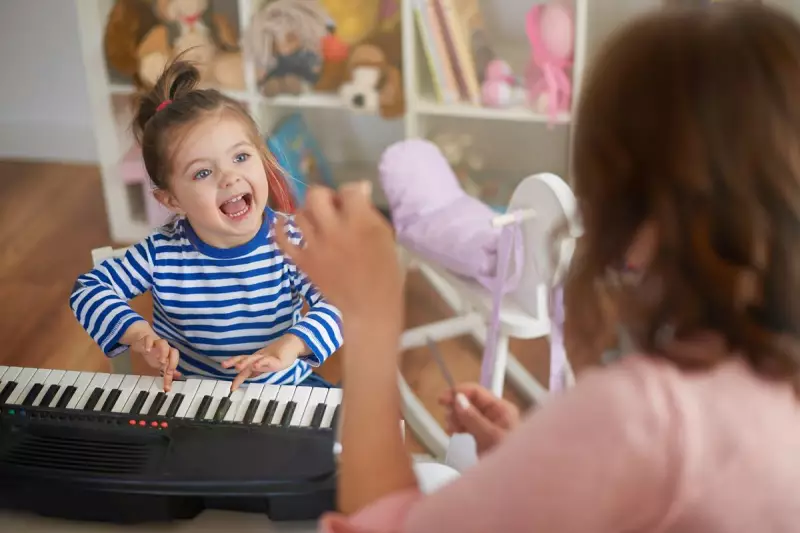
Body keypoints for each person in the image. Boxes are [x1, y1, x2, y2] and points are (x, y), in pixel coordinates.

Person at [271, 3, 800, 532]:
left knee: (433, 475)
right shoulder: (760, 386)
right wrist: (535, 457)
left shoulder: (648, 417)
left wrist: (370, 318)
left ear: (631, 204)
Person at [70, 57, 342, 392]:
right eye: (202, 172)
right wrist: (137, 334)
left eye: (240, 157)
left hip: (287, 389)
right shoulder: (161, 253)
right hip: (193, 398)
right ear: (172, 200)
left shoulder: (292, 239)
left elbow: (341, 301)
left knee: (355, 420)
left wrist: (293, 345)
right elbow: (88, 290)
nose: (229, 177)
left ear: (262, 158)